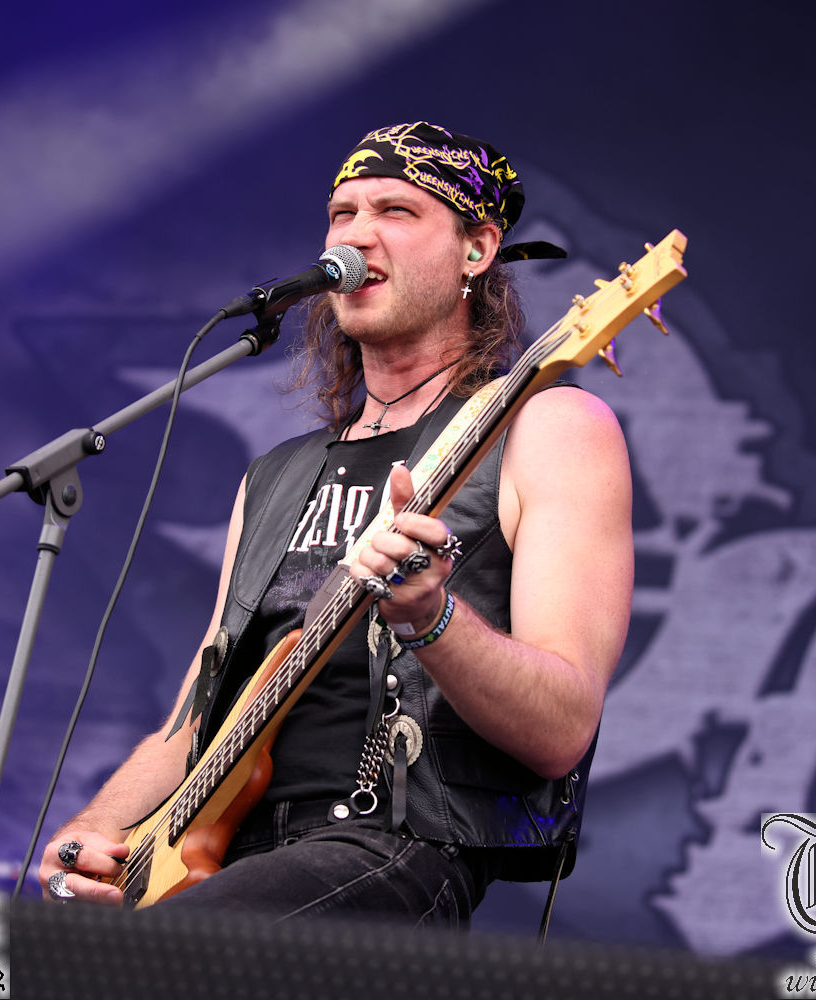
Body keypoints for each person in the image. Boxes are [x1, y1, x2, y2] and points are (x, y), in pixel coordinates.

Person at [38, 122, 633, 926]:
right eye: (342, 213)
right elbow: (194, 726)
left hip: (390, 848)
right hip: (228, 865)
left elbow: (561, 726)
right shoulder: (275, 477)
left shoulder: (548, 427)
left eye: (396, 210)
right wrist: (98, 831)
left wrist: (431, 617)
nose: (356, 233)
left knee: (157, 959)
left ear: (477, 248)